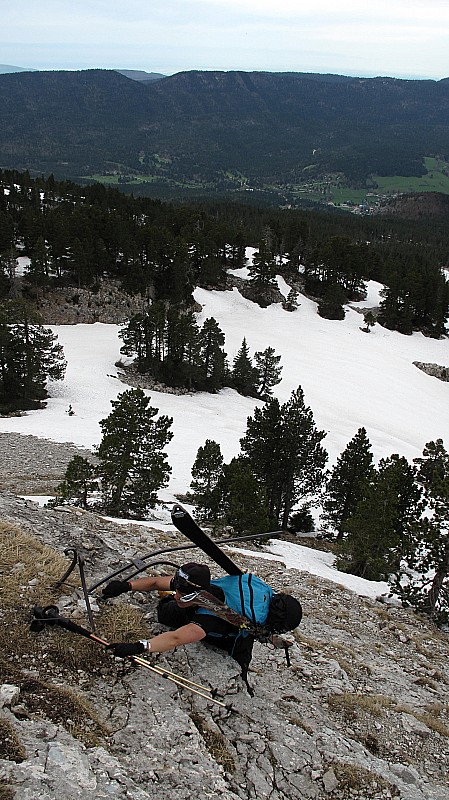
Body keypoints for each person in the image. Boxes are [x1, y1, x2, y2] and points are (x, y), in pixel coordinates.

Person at [102, 561, 302, 693]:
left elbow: (176, 638)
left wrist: (139, 647)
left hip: (232, 631)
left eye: (184, 596)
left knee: (238, 668)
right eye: (177, 591)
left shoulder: (210, 620)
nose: (178, 597)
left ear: (199, 594)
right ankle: (266, 637)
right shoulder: (191, 586)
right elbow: (156, 582)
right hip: (199, 608)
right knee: (165, 611)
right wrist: (126, 586)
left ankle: (257, 648)